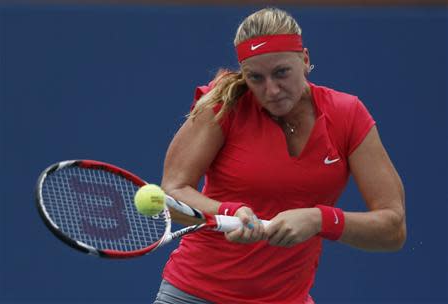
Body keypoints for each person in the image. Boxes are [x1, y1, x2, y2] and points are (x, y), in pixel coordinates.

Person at [153, 7, 406, 304]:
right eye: (256, 78)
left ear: (306, 60)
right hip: (195, 294)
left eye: (281, 72)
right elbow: (172, 191)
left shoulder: (347, 115)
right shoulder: (222, 104)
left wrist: (319, 219)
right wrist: (229, 212)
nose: (271, 90)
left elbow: (393, 228)